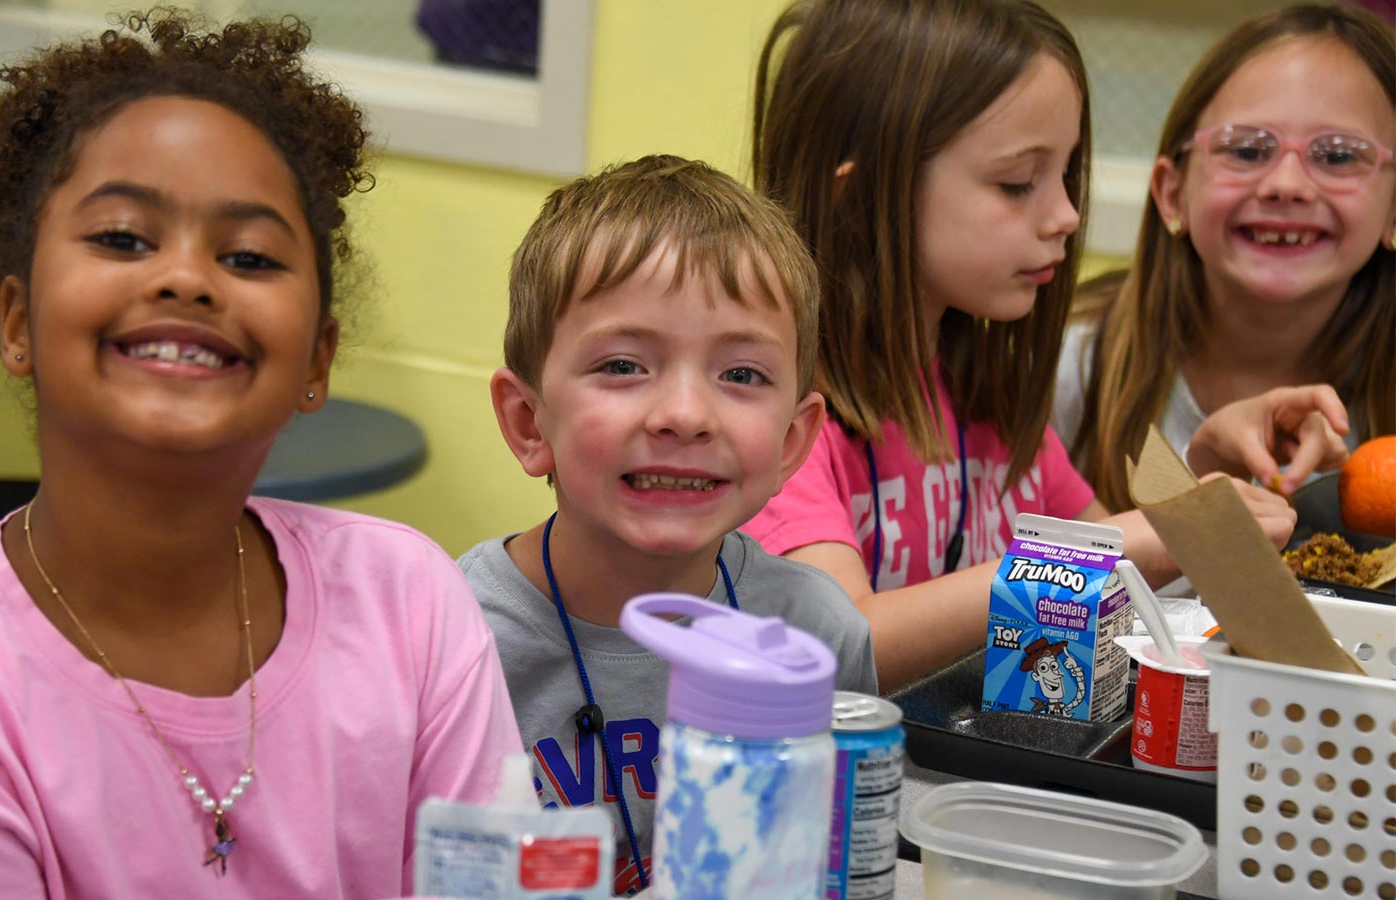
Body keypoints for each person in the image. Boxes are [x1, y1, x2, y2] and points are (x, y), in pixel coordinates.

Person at [0, 13, 522, 897]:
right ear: (18, 322)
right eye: (122, 238)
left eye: (249, 255)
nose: (186, 278)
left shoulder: (409, 606)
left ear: (317, 360)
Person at [743, 0, 1296, 690]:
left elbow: (1134, 602)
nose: (1066, 215)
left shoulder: (990, 402)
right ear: (858, 200)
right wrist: (1136, 539)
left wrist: (1200, 490)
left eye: (1066, 176)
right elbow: (847, 642)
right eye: (1016, 183)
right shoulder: (779, 421)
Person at [460, 154, 876, 895]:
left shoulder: (814, 633)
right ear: (530, 423)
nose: (685, 416)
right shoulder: (451, 638)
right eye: (623, 366)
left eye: (741, 375)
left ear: (790, 444)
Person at [1056, 3, 1395, 509]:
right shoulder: (1068, 372)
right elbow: (1014, 584)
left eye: (1339, 155)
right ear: (1172, 193)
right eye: (1247, 150)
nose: (1287, 185)